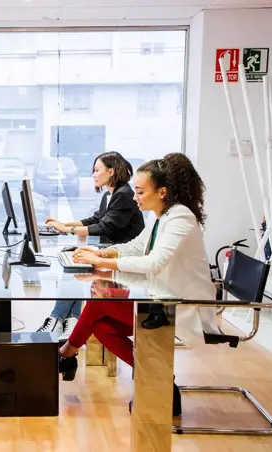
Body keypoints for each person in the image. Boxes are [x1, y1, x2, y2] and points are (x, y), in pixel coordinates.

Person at [57, 153, 220, 417]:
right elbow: (136, 247)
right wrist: (104, 256)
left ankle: (65, 354)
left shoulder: (180, 218)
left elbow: (154, 262)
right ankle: (158, 379)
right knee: (101, 326)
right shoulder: (161, 215)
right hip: (161, 299)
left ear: (163, 192)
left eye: (141, 192)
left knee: (99, 307)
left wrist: (104, 263)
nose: (135, 198)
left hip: (183, 306)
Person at [35, 152, 145, 341]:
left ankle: (58, 318)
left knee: (75, 266)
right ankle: (69, 319)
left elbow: (105, 226)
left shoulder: (124, 194)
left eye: (96, 170)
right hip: (111, 252)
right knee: (74, 264)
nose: (93, 175)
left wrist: (66, 229)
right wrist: (65, 225)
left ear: (111, 171)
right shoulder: (110, 195)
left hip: (124, 256)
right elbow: (95, 219)